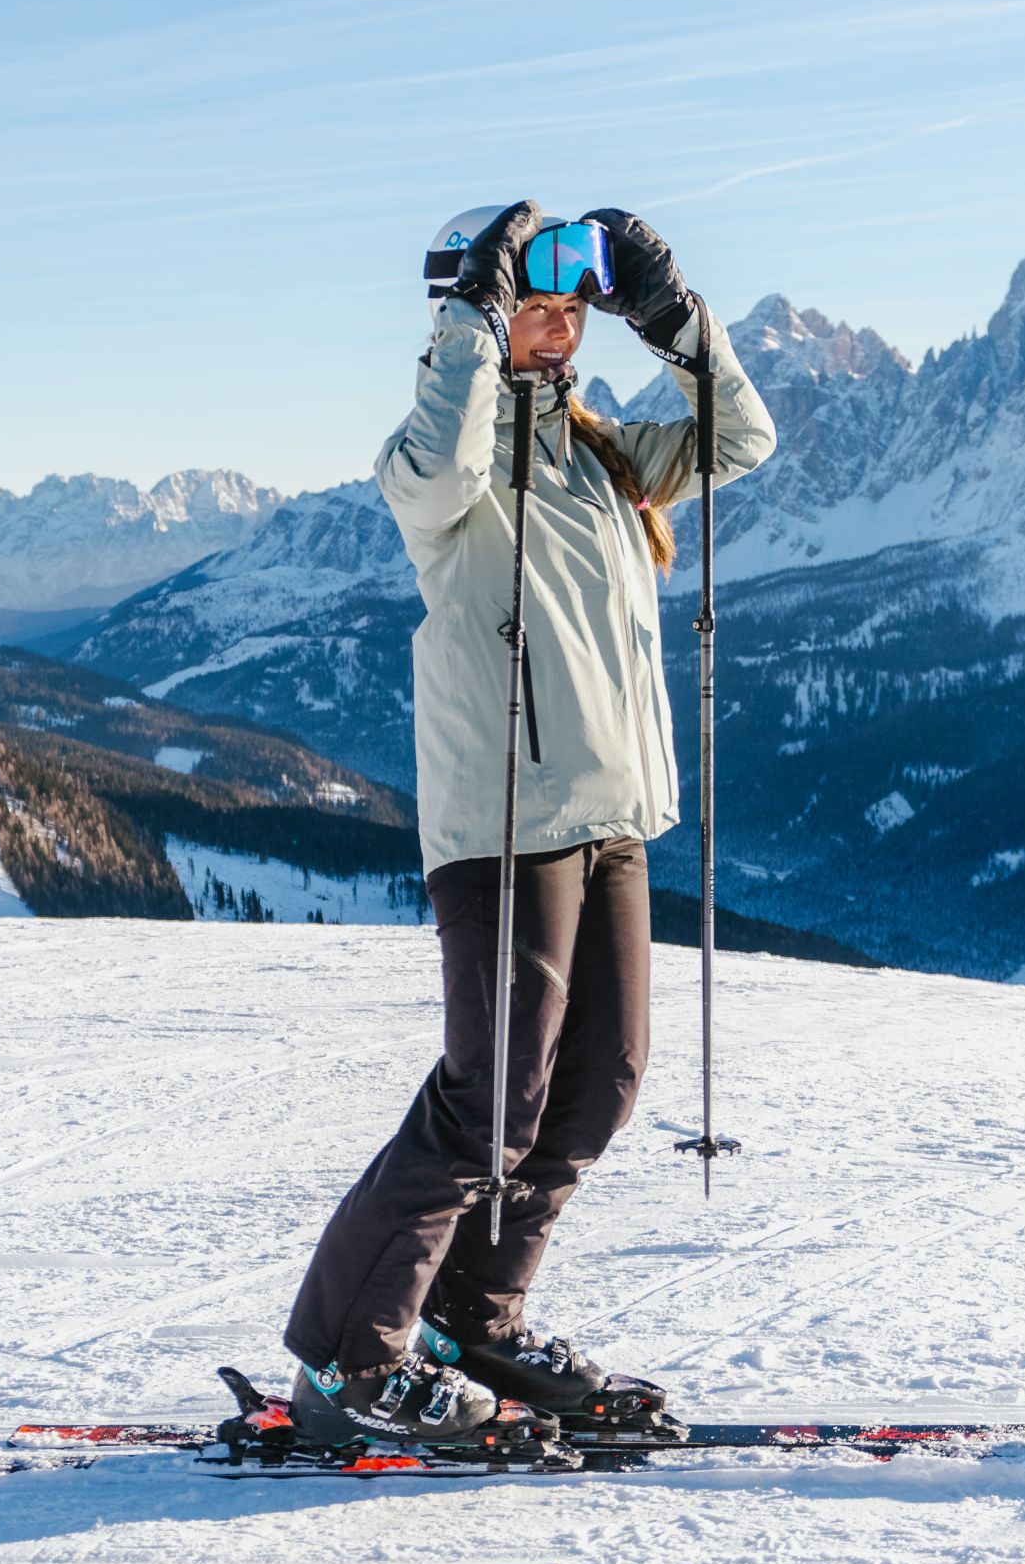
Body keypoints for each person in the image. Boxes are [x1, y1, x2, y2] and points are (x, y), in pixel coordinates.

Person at [281, 201, 777, 1444]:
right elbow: (443, 463)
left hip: (612, 814)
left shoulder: (608, 453)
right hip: (502, 822)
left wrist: (677, 321)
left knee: (597, 1090)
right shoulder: (432, 461)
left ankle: (473, 1316)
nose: (555, 329)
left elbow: (744, 437)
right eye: (530, 307)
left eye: (572, 309)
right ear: (479, 315)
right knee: (489, 1100)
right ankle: (351, 1359)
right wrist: (473, 321)